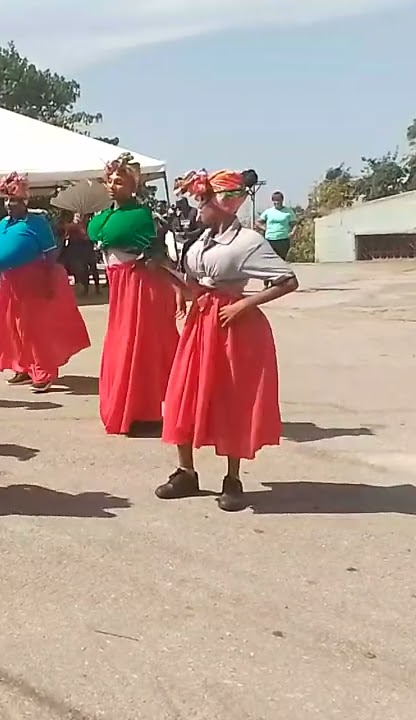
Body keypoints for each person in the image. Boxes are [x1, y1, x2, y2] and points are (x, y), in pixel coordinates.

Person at [156, 169, 298, 512]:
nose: (198, 208)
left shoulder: (248, 242)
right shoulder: (200, 240)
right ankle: (186, 472)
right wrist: (162, 271)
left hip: (234, 327)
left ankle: (232, 478)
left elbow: (288, 280)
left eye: (203, 200)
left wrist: (243, 305)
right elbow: (193, 286)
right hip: (200, 323)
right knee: (184, 393)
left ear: (223, 203)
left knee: (231, 398)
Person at [87, 153, 181, 437]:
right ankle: (133, 409)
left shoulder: (142, 216)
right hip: (120, 286)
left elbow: (159, 254)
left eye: (120, 181)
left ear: (133, 186)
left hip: (140, 285)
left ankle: (148, 410)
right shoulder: (104, 216)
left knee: (142, 347)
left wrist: (178, 288)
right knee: (124, 346)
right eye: (110, 181)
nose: (113, 185)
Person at [0, 172, 90, 393]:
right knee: (14, 326)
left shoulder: (37, 223)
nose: (9, 204)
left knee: (36, 328)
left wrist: (49, 281)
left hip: (33, 279)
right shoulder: (4, 223)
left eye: (15, 200)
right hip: (9, 281)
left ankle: (44, 371)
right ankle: (23, 367)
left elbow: (51, 253)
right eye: (7, 200)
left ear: (25, 201)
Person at [256, 191, 297, 261]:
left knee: (281, 259)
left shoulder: (288, 212)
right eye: (275, 200)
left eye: (278, 200)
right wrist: (265, 228)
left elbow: (294, 224)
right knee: (270, 259)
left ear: (282, 200)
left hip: (283, 239)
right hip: (270, 239)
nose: (277, 202)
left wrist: (293, 232)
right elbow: (258, 222)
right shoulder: (268, 212)